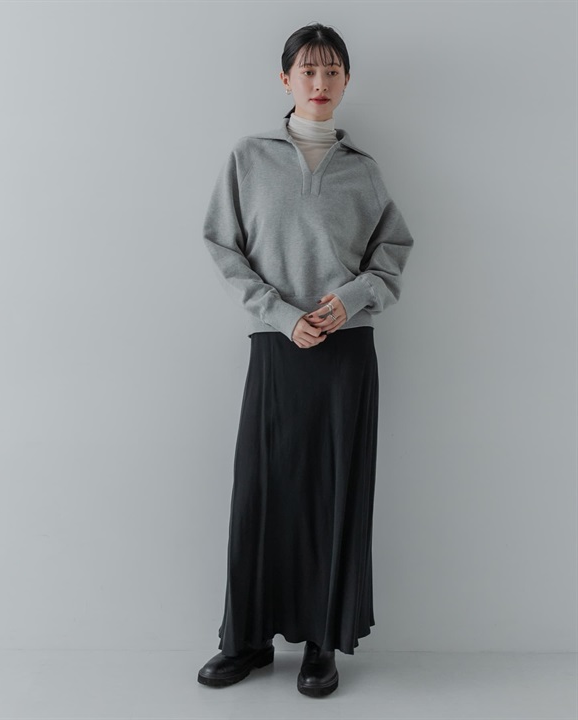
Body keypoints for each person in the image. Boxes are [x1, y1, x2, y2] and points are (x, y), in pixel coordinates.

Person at [197, 22, 414, 697]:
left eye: (332, 72)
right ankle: (248, 641)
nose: (320, 84)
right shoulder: (249, 158)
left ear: (346, 81)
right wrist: (282, 315)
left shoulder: (363, 170)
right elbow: (223, 245)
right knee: (261, 493)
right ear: (285, 78)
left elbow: (392, 255)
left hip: (347, 353)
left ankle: (323, 642)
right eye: (308, 71)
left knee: (334, 492)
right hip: (276, 346)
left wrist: (349, 301)